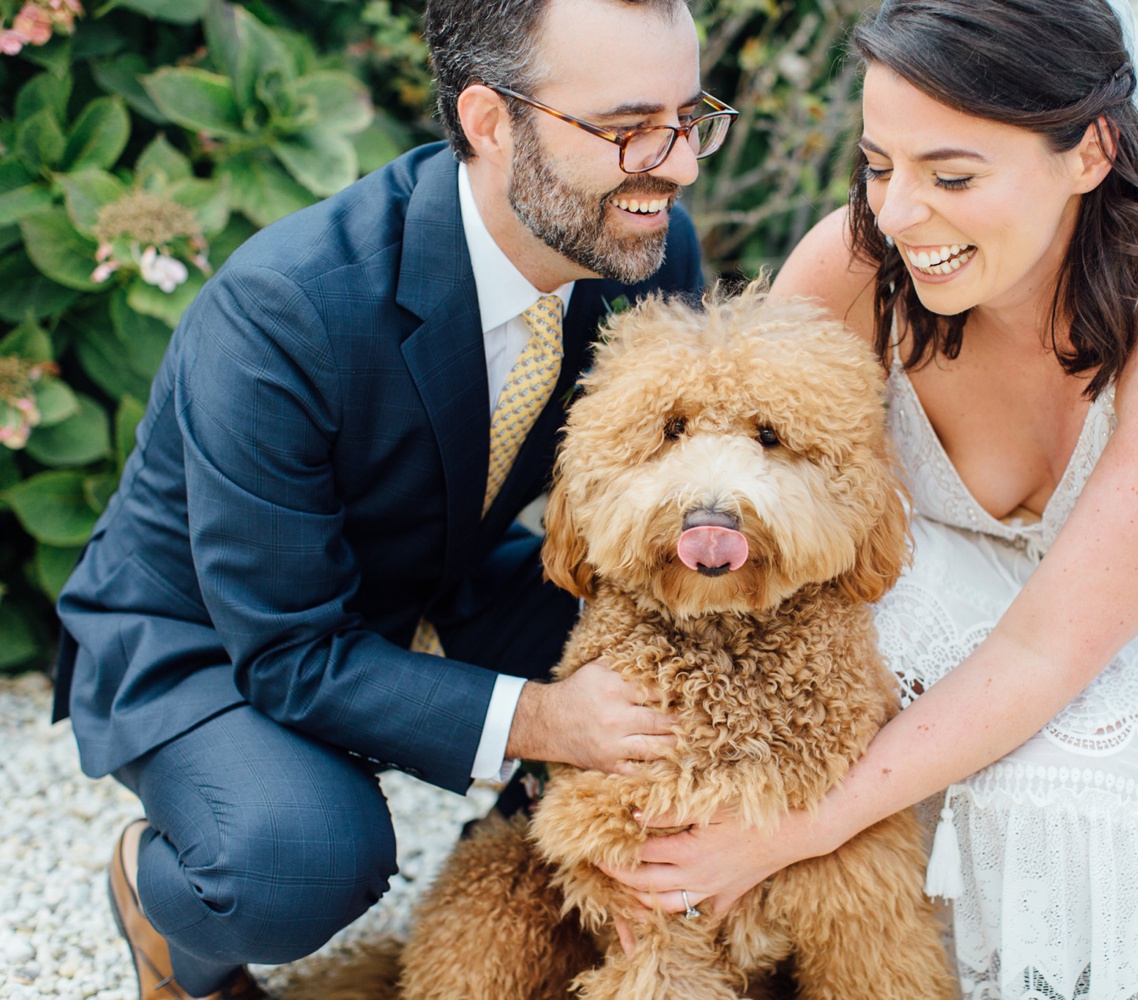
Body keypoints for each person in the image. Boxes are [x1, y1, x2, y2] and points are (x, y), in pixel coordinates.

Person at [599, 0, 1138, 996]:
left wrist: (785, 829)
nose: (901, 213)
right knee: (800, 671)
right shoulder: (858, 259)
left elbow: (1051, 647)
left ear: (1088, 152)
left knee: (1049, 781)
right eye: (879, 166)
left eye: (952, 175)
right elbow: (726, 502)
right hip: (954, 587)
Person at [52, 0, 731, 995]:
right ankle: (165, 916)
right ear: (492, 123)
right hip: (208, 629)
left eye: (691, 116)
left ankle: (538, 905)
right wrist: (545, 721)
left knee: (691, 669)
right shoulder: (285, 308)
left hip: (430, 578)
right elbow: (286, 650)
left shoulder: (647, 247)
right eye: (628, 128)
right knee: (301, 858)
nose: (677, 165)